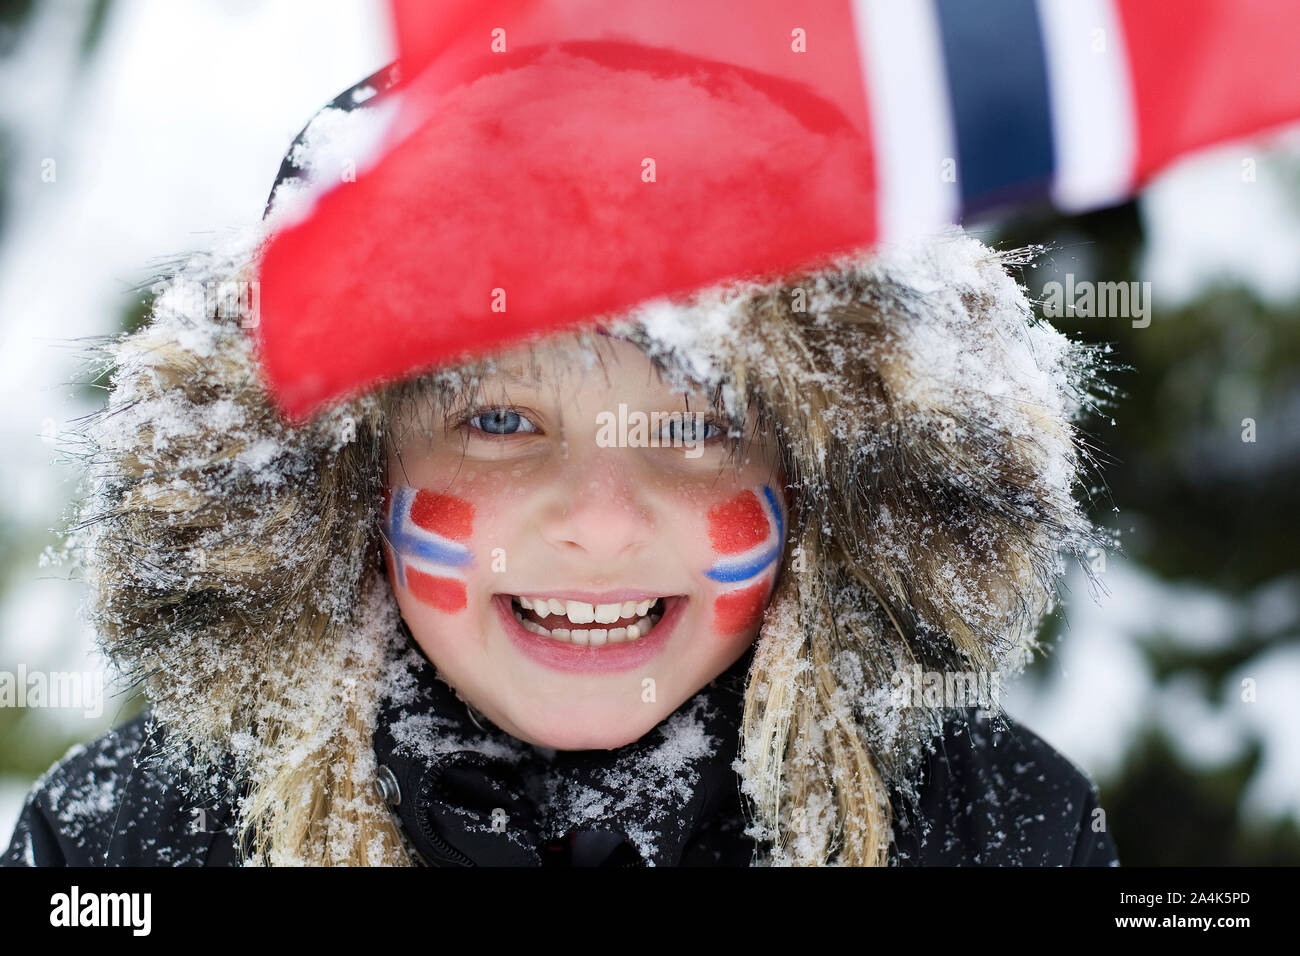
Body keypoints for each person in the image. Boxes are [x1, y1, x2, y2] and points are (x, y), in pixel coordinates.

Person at [2, 64, 1120, 868]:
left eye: (697, 428)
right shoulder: (125, 845)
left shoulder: (996, 827)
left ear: (833, 481)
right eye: (497, 420)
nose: (600, 523)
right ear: (342, 475)